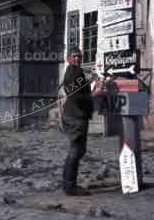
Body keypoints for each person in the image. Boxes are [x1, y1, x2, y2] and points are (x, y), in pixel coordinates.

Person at [58, 47, 100, 196]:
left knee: (78, 150)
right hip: (76, 117)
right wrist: (95, 94)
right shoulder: (73, 72)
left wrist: (92, 81)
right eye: (75, 56)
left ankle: (67, 183)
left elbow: (79, 89)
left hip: (76, 115)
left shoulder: (75, 72)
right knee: (76, 150)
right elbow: (75, 96)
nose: (77, 59)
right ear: (68, 58)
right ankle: (70, 186)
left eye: (80, 57)